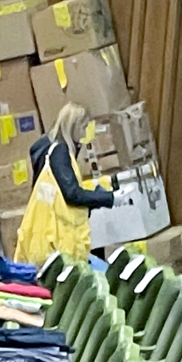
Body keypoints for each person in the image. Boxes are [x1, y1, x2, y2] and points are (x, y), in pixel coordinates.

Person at [12, 102, 120, 265]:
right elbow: (71, 194)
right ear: (74, 126)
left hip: (43, 232)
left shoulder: (46, 148)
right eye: (83, 127)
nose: (84, 133)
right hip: (57, 238)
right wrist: (108, 198)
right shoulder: (60, 152)